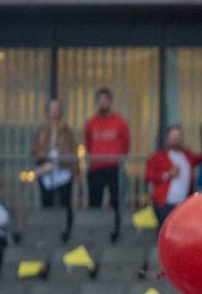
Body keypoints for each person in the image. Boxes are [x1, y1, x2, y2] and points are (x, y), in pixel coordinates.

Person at [82, 88, 129, 225]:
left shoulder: (120, 122)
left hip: (115, 167)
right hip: (96, 167)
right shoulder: (91, 123)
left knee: (116, 200)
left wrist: (118, 159)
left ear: (110, 101)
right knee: (94, 201)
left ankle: (117, 227)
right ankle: (94, 228)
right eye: (100, 100)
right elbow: (88, 143)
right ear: (97, 102)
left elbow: (126, 144)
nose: (102, 103)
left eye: (105, 100)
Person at [144, 124, 197, 222]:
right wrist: (167, 175)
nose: (176, 139)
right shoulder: (157, 156)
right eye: (173, 136)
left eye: (178, 136)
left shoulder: (188, 155)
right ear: (167, 139)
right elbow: (148, 176)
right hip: (164, 203)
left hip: (184, 202)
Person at [31, 98, 78, 209]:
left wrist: (59, 162)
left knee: (65, 202)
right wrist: (43, 161)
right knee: (47, 202)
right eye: (52, 108)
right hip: (45, 170)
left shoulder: (66, 129)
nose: (54, 111)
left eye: (57, 108)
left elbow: (71, 150)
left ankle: (66, 225)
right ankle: (48, 225)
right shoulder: (41, 129)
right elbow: (35, 149)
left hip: (63, 171)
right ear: (47, 111)